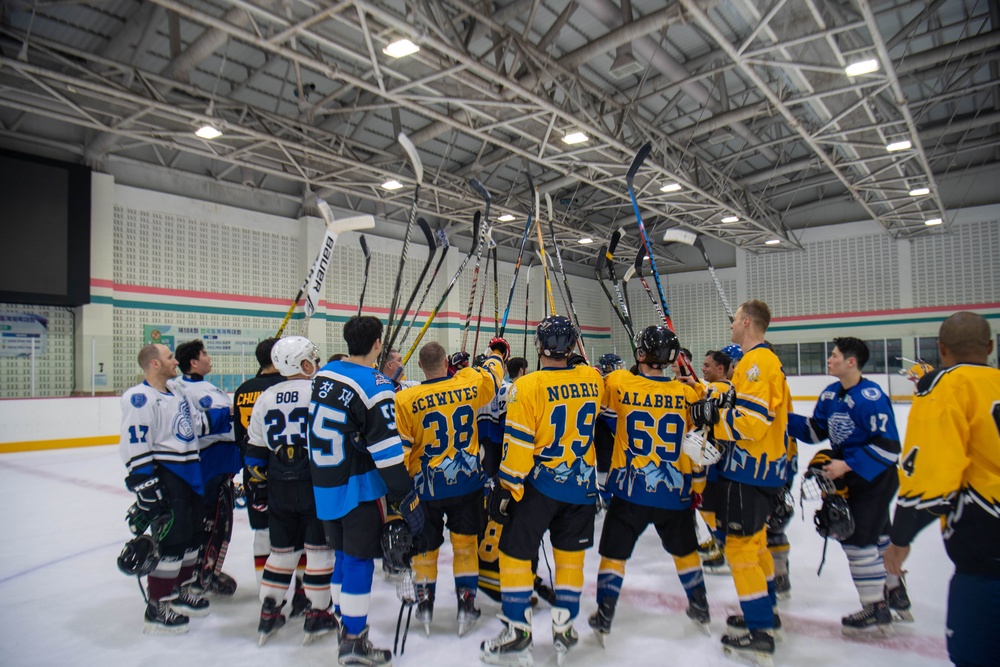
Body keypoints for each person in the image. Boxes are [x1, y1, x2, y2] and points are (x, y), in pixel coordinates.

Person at [480, 316, 604, 666]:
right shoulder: (592, 380)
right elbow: (595, 382)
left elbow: (518, 445)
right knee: (570, 559)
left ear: (538, 346)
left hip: (538, 487)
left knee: (515, 553)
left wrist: (506, 487)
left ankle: (518, 628)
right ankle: (564, 626)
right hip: (581, 487)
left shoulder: (527, 385)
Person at [307, 315, 424, 667]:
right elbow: (388, 455)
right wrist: (407, 497)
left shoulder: (326, 373)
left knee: (341, 556)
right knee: (358, 562)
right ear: (377, 344)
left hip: (324, 485)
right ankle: (354, 642)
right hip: (358, 487)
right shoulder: (376, 385)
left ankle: (347, 623)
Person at [885, 312, 1000, 667]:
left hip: (985, 550)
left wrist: (900, 539)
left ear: (941, 348)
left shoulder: (944, 386)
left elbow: (931, 476)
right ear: (991, 347)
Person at [589, 326, 711, 645]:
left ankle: (605, 612)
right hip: (675, 490)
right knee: (685, 552)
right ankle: (700, 605)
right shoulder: (688, 393)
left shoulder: (618, 382)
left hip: (630, 491)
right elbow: (698, 440)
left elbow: (599, 403)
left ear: (641, 354)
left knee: (614, 554)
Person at [690, 300, 792, 666]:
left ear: (746, 322)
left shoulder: (756, 362)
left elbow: (751, 422)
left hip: (750, 472)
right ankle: (764, 613)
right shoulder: (759, 362)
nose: (731, 324)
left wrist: (712, 422)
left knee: (741, 551)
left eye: (734, 319)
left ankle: (761, 631)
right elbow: (744, 404)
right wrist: (712, 398)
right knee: (758, 546)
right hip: (760, 472)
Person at [787, 337, 901, 635]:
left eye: (835, 355)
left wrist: (846, 465)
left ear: (851, 361)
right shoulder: (830, 394)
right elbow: (815, 431)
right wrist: (778, 419)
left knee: (857, 540)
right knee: (879, 537)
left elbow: (890, 448)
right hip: (851, 478)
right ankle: (897, 595)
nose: (829, 359)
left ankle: (875, 607)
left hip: (874, 478)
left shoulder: (871, 397)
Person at [395, 338, 508, 637]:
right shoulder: (467, 382)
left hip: (425, 489)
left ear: (419, 366)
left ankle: (425, 604)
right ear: (447, 364)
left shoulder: (405, 400)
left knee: (425, 549)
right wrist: (494, 353)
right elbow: (494, 376)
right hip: (466, 485)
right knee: (465, 546)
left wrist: (402, 494)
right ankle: (466, 604)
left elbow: (402, 451)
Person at [119, 343, 231, 634]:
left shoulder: (177, 392)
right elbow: (136, 442)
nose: (174, 362)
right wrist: (145, 484)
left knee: (193, 535)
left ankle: (181, 589)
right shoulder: (140, 398)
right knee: (172, 540)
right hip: (167, 474)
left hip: (191, 472)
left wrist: (233, 412)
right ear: (154, 364)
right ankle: (158, 607)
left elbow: (196, 424)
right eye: (169, 357)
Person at [247, 336, 338, 645]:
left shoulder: (266, 396)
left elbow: (254, 452)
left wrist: (259, 489)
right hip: (315, 481)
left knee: (282, 552)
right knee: (319, 551)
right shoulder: (321, 392)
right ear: (303, 363)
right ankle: (317, 613)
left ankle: (269, 611)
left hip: (277, 482)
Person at [173, 339, 241, 596]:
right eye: (205, 354)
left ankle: (203, 571)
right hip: (209, 467)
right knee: (213, 524)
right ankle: (201, 574)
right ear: (193, 362)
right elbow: (198, 425)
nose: (209, 358)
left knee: (215, 523)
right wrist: (235, 412)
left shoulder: (201, 386)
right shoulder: (185, 389)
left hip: (218, 468)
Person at [233, 338, 299, 596]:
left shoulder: (243, 388)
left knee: (262, 532)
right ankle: (303, 594)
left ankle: (266, 593)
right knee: (302, 536)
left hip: (253, 470)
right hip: (289, 471)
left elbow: (240, 435)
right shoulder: (285, 387)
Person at [696, 349, 734, 574]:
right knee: (719, 505)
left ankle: (722, 546)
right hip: (727, 456)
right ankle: (721, 542)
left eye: (707, 365)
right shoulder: (731, 388)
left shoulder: (713, 390)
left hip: (711, 455)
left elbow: (699, 417)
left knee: (708, 503)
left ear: (720, 368)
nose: (703, 368)